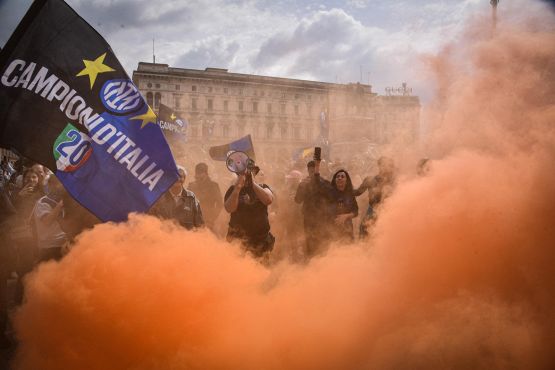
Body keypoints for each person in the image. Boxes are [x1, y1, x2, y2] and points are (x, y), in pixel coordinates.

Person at [224, 166, 275, 259]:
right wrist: (238, 187)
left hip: (260, 240)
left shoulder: (263, 187)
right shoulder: (233, 189)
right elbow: (229, 208)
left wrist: (253, 183)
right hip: (237, 240)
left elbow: (268, 200)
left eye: (251, 172)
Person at [295, 160, 333, 258]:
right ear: (308, 171)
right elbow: (298, 200)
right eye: (311, 171)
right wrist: (303, 187)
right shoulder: (304, 183)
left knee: (323, 242)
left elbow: (331, 198)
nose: (313, 173)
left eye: (315, 171)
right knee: (310, 242)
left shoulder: (325, 183)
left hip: (323, 218)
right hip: (309, 218)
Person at [354, 156, 396, 238]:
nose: (386, 167)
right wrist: (345, 188)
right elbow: (357, 192)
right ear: (379, 166)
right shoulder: (370, 180)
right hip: (372, 211)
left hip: (388, 212)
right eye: (383, 164)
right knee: (365, 233)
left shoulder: (394, 181)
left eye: (389, 165)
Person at [32, 175, 68, 262]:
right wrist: (60, 205)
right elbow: (47, 221)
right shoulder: (43, 202)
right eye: (57, 184)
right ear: (50, 186)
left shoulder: (64, 200)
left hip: (64, 243)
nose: (60, 187)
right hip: (49, 247)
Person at [188, 163, 222, 231]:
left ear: (206, 173)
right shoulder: (191, 186)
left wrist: (212, 219)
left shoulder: (213, 186)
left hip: (208, 220)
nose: (199, 175)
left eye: (201, 172)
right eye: (197, 173)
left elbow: (220, 204)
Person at [328, 169, 358, 242]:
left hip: (347, 229)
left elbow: (356, 211)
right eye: (337, 176)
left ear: (346, 181)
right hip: (332, 230)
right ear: (335, 180)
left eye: (342, 176)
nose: (340, 178)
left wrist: (346, 216)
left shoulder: (350, 194)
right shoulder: (329, 194)